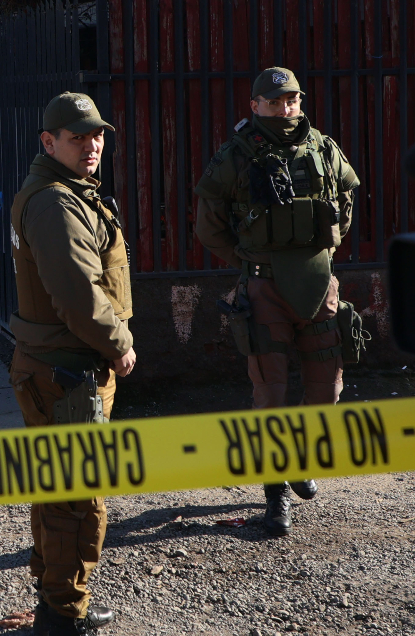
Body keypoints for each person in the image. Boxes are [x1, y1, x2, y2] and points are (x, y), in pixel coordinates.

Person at [195, 68, 361, 537]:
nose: (285, 108)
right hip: (264, 290)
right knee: (270, 394)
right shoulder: (235, 156)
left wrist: (318, 256)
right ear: (255, 105)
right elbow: (208, 225)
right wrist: (251, 261)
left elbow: (345, 204)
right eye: (274, 101)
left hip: (318, 286)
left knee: (327, 385)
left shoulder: (324, 148)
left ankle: (301, 459)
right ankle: (275, 498)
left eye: (291, 100)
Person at [9, 92, 133, 636]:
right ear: (49, 142)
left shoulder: (70, 194)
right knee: (78, 498)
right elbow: (79, 298)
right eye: (78, 137)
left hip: (60, 366)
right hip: (68, 371)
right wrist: (119, 344)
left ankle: (55, 601)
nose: (91, 145)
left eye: (97, 135)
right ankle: (63, 616)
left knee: (59, 490)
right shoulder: (55, 203)